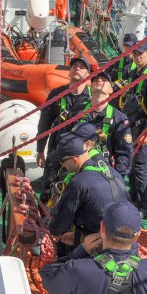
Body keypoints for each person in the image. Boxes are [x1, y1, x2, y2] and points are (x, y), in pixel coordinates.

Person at [37, 57, 93, 201]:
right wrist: (40, 150)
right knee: (48, 188)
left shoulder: (92, 99)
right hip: (56, 150)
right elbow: (45, 123)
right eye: (74, 66)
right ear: (69, 72)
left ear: (88, 74)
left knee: (73, 192)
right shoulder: (56, 94)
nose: (77, 68)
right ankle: (42, 217)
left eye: (82, 66)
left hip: (79, 156)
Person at [120, 39, 147, 218]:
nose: (138, 57)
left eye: (141, 54)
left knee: (139, 166)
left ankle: (142, 206)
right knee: (130, 162)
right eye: (135, 54)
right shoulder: (134, 72)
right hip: (131, 125)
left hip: (142, 128)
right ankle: (132, 196)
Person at [84, 71, 133, 178]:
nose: (99, 80)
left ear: (111, 90)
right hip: (77, 165)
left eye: (104, 80)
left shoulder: (119, 118)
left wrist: (116, 178)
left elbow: (124, 153)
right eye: (95, 80)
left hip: (101, 170)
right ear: (91, 88)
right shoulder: (78, 112)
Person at [112, 34, 139, 110]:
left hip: (131, 101)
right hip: (115, 98)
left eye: (131, 46)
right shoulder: (115, 62)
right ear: (123, 46)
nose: (129, 49)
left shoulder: (140, 65)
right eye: (126, 46)